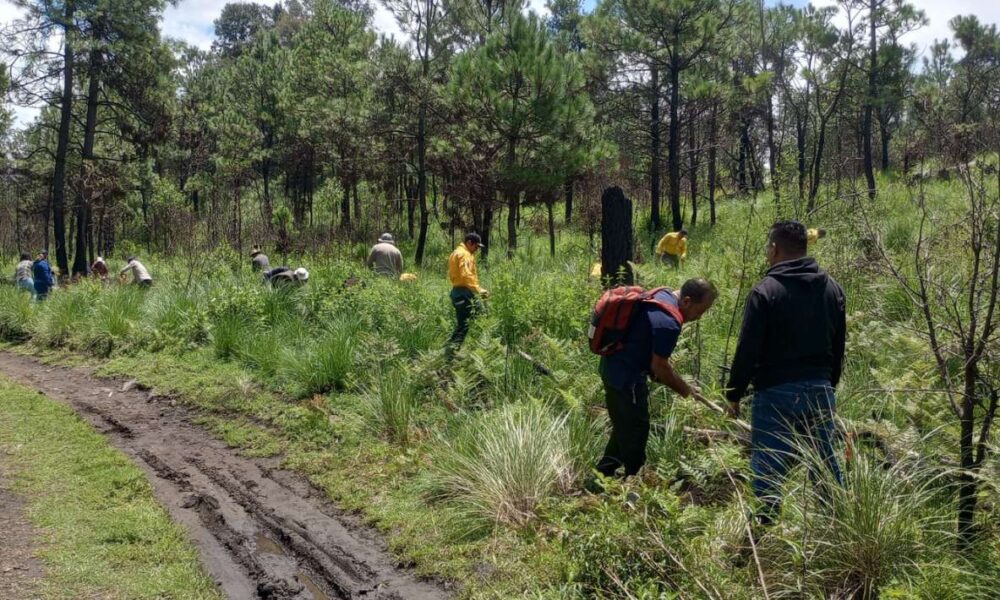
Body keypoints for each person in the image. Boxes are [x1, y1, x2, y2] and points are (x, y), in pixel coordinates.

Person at [725, 220, 846, 526]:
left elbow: (747, 349)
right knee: (826, 467)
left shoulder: (765, 291)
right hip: (820, 391)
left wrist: (734, 394)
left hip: (774, 394)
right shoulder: (832, 288)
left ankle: (762, 541)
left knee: (768, 470)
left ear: (775, 248)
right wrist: (827, 386)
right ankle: (841, 533)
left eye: (768, 247)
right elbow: (838, 345)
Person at [596, 279, 718, 478]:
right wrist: (686, 390)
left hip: (612, 368)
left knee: (625, 425)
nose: (699, 317)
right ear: (687, 301)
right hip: (627, 380)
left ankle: (604, 474)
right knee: (637, 430)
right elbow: (659, 368)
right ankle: (635, 481)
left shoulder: (664, 295)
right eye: (700, 311)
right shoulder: (669, 324)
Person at [445, 233, 488, 360]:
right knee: (467, 324)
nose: (477, 249)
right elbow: (465, 275)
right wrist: (479, 290)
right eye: (476, 246)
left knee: (473, 320)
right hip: (463, 293)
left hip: (462, 292)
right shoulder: (463, 254)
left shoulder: (458, 252)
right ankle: (451, 354)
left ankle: (457, 351)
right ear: (469, 243)